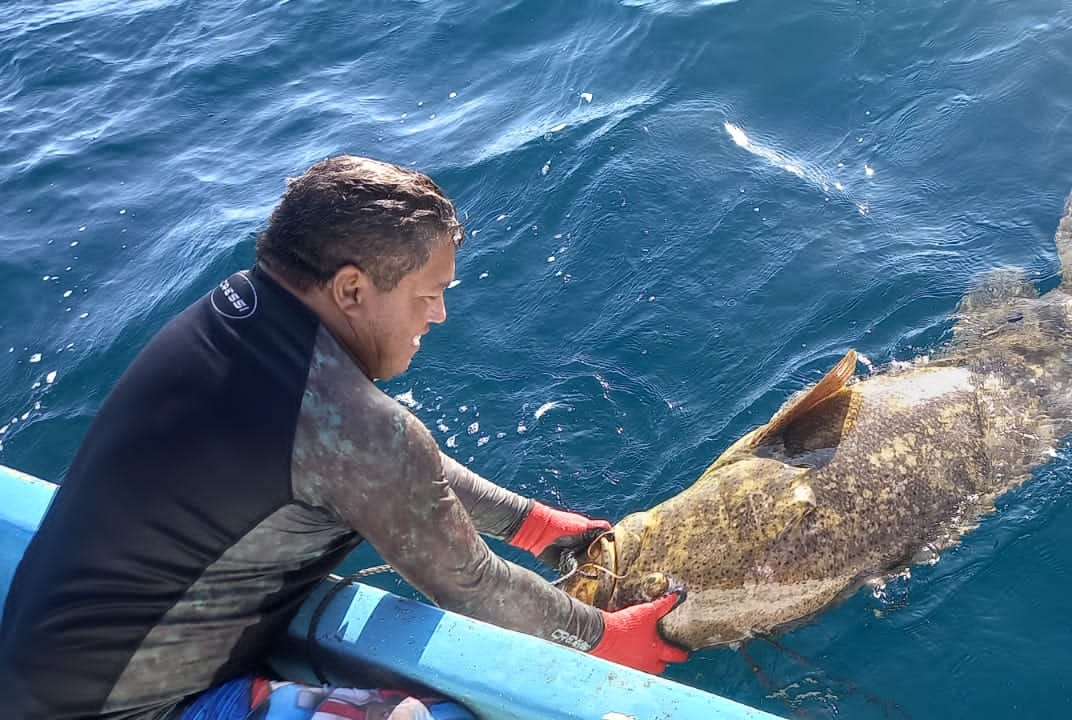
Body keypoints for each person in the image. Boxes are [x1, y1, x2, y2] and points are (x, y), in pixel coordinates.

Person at [0, 156, 689, 720]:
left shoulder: (237, 316)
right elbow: (471, 586)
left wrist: (534, 524)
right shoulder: (346, 420)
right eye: (427, 293)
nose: (441, 313)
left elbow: (374, 458)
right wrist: (605, 639)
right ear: (352, 289)